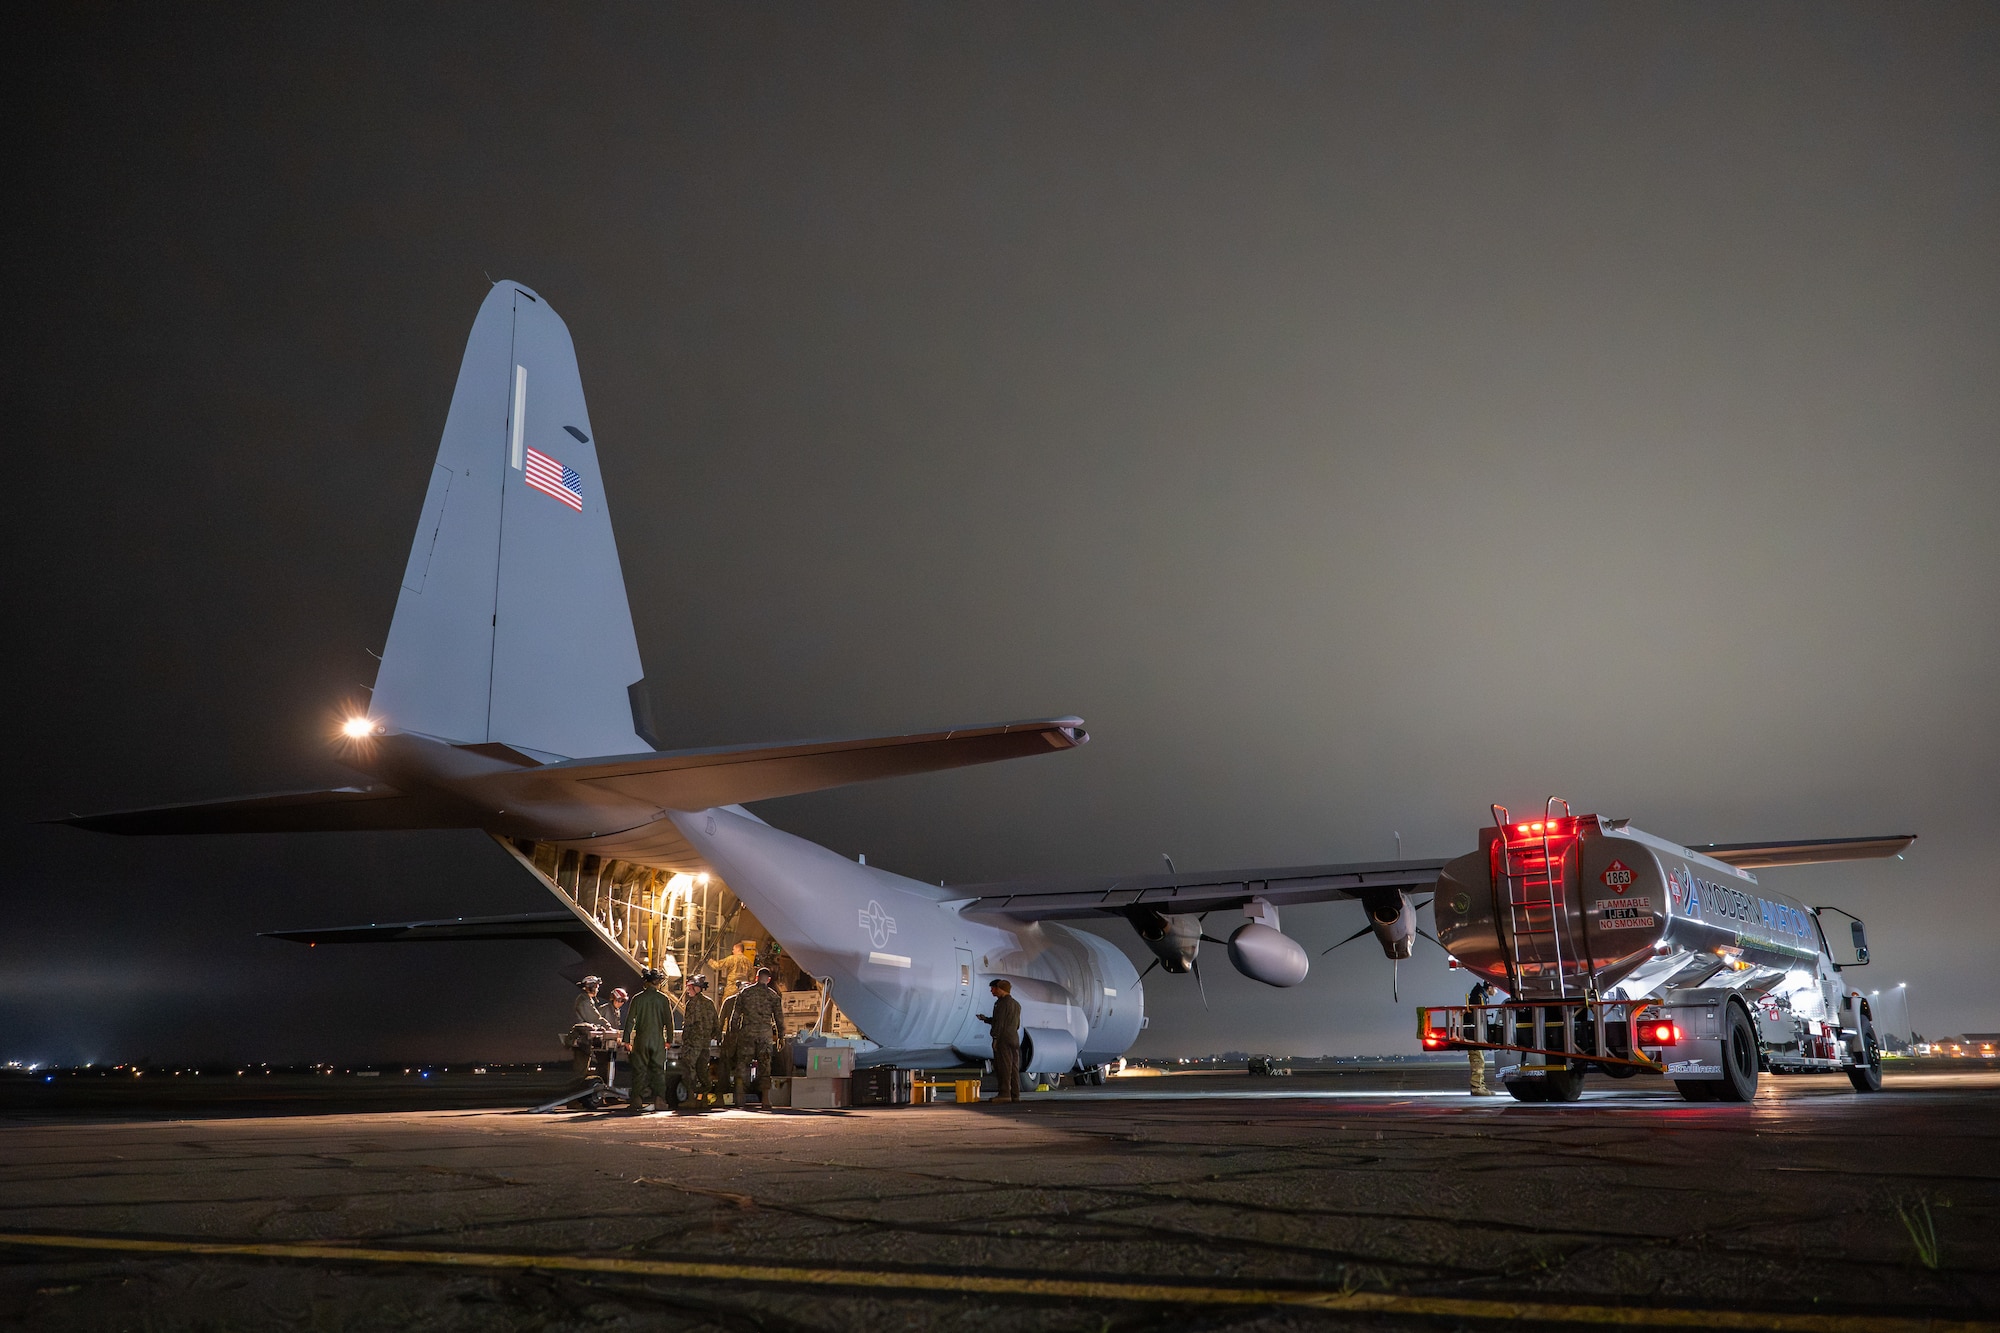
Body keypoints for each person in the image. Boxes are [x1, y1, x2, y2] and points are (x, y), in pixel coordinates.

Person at [728, 966, 785, 1109]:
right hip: (765, 1035)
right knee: (765, 1065)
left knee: (743, 1063)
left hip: (747, 1033)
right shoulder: (773, 996)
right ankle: (765, 1099)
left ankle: (740, 1096)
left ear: (756, 978)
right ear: (769, 980)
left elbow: (735, 1016)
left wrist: (733, 1034)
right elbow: (779, 1019)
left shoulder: (745, 993)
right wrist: (781, 1037)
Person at [622, 968, 675, 1114]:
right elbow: (669, 1022)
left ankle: (636, 1101)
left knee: (639, 1070)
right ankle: (660, 1100)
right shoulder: (664, 999)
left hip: (641, 1039)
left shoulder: (638, 998)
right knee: (658, 1071)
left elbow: (630, 1020)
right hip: (658, 1039)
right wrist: (669, 1040)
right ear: (658, 982)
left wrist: (626, 1039)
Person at [678, 974, 721, 1111]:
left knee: (688, 1069)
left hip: (692, 1044)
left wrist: (685, 1041)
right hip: (705, 1044)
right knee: (703, 1071)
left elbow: (688, 1025)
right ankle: (703, 1099)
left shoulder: (692, 1003)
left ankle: (691, 1099)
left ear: (696, 988)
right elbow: (716, 1025)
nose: (688, 990)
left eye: (690, 987)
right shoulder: (709, 1003)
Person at [977, 979, 1022, 1103]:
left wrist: (995, 1038)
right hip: (1014, 1036)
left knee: (1003, 1066)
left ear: (1000, 988)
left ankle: (1004, 1093)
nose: (991, 991)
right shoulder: (1016, 1004)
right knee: (1013, 1067)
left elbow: (1000, 1023)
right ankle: (1015, 1094)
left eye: (993, 988)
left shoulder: (1001, 1003)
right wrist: (986, 1019)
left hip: (1003, 1038)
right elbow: (1016, 1024)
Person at [1466, 977, 1501, 1096]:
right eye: (1495, 988)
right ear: (1489, 987)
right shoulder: (1480, 996)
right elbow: (1477, 1016)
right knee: (1478, 1060)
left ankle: (1479, 1085)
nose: (1496, 991)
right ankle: (1477, 1087)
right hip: (1474, 1033)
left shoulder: (1480, 994)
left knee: (1479, 1059)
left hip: (1476, 1032)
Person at [569, 976, 608, 1078]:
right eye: (597, 986)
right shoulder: (584, 1001)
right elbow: (595, 1018)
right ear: (592, 987)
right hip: (582, 1038)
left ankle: (578, 1087)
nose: (598, 989)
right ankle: (577, 1088)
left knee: (582, 1067)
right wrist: (608, 1027)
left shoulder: (586, 999)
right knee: (580, 1069)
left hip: (583, 1038)